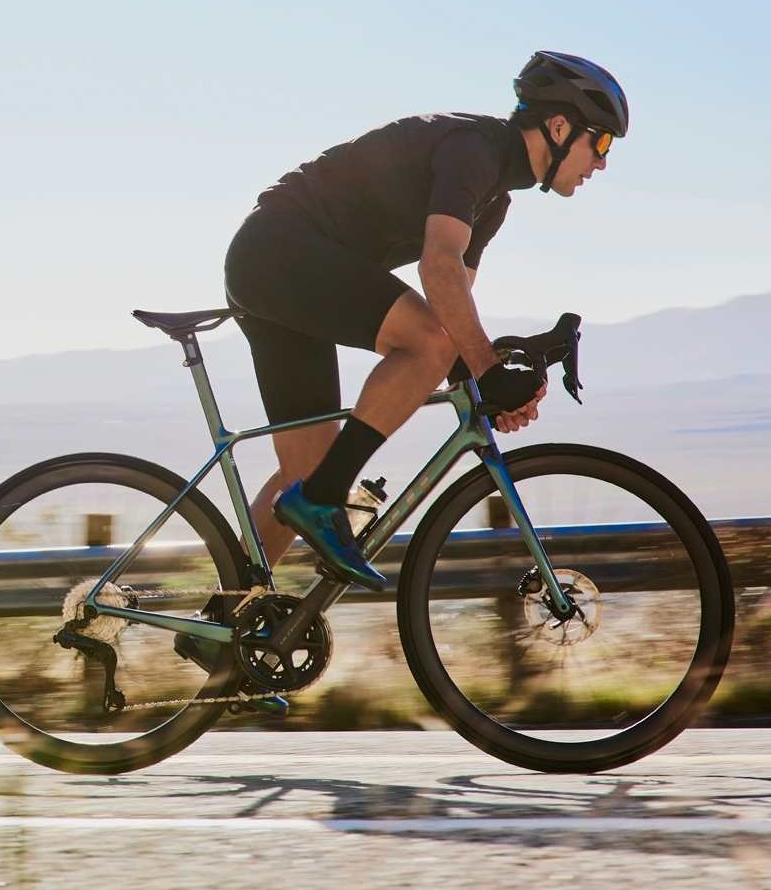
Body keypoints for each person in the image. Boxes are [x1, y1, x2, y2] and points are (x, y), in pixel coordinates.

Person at [223, 50, 628, 589]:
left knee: (307, 471)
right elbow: (437, 268)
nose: (601, 162)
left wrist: (501, 372)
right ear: (558, 126)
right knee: (420, 358)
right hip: (278, 253)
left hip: (287, 274)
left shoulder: (495, 201)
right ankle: (322, 501)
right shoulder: (474, 150)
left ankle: (225, 616)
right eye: (599, 142)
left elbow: (451, 307)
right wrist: (484, 367)